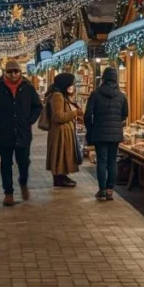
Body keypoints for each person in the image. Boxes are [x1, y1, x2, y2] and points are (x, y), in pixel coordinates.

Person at [0, 60, 42, 206]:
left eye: (16, 71)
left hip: (23, 132)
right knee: (6, 164)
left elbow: (37, 106)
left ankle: (23, 182)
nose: (13, 74)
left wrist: (30, 120)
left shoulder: (28, 88)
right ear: (5, 73)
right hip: (5, 134)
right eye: (10, 71)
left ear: (20, 72)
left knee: (23, 162)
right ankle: (8, 193)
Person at [84, 66, 129, 201]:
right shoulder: (122, 96)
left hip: (99, 133)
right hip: (115, 134)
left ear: (103, 78)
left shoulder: (95, 94)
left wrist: (91, 129)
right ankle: (110, 190)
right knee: (112, 161)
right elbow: (125, 115)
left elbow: (87, 115)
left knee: (102, 161)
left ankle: (102, 190)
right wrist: (116, 123)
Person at [45, 72, 81, 188]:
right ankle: (59, 179)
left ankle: (62, 176)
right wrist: (75, 113)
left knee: (63, 155)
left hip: (62, 131)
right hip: (60, 132)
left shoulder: (61, 94)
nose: (72, 86)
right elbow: (58, 116)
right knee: (60, 155)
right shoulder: (57, 96)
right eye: (71, 83)